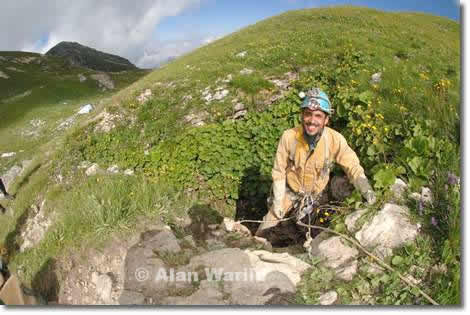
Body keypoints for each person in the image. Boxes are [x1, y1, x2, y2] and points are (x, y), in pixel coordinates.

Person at [255, 88, 376, 243]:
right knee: (266, 227)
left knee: (314, 232)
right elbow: (279, 171)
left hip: (316, 194)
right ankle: (254, 245)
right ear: (302, 116)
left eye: (318, 116)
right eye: (308, 114)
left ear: (326, 120)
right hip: (291, 192)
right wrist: (278, 201)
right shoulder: (289, 137)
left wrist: (367, 192)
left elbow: (352, 166)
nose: (312, 120)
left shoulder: (334, 140)